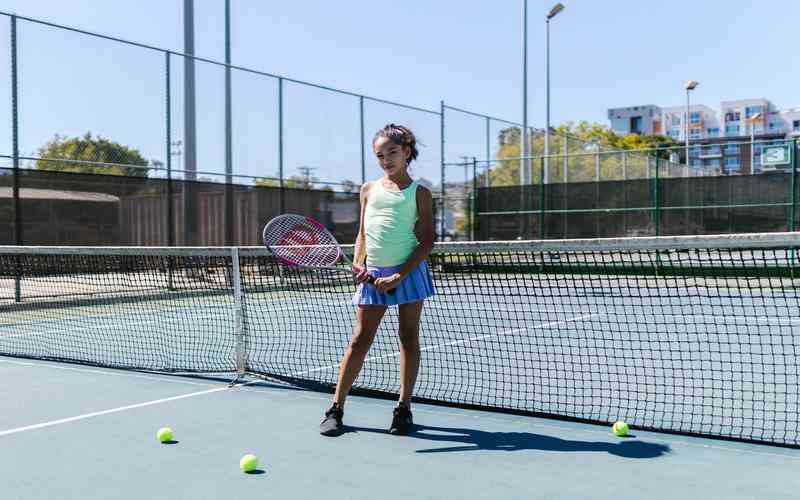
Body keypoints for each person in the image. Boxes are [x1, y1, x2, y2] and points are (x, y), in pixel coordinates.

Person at [320, 124, 435, 436]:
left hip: (409, 273)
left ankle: (403, 408)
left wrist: (401, 273)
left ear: (407, 152)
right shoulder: (368, 190)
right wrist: (359, 266)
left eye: (392, 152)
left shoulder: (420, 193)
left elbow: (426, 240)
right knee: (360, 340)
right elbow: (361, 235)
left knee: (408, 337)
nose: (386, 159)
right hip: (372, 274)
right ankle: (336, 408)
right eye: (380, 155)